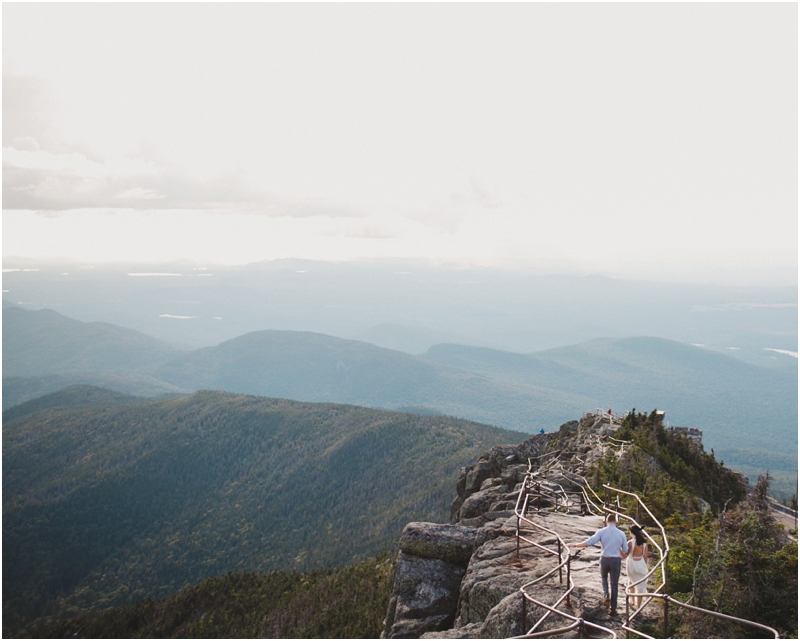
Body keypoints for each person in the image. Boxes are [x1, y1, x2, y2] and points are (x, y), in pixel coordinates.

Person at [570, 513, 628, 616]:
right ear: (616, 522)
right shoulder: (621, 534)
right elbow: (625, 550)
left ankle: (606, 594)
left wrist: (574, 545)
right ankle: (613, 609)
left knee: (604, 577)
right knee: (614, 584)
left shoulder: (601, 532)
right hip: (615, 560)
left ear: (606, 521)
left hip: (604, 559)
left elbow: (589, 542)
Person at [626, 525, 649, 609]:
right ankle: (638, 607)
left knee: (631, 580)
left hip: (631, 563)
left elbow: (625, 553)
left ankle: (631, 600)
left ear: (632, 532)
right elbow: (645, 556)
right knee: (640, 586)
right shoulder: (644, 543)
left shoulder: (630, 542)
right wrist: (644, 565)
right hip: (640, 563)